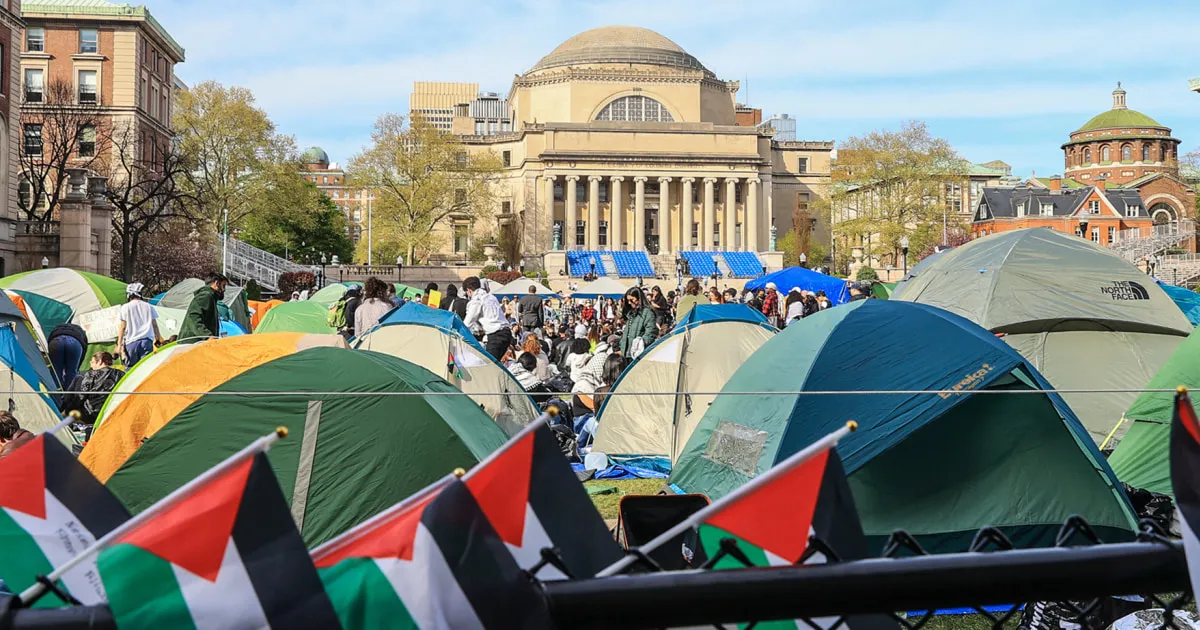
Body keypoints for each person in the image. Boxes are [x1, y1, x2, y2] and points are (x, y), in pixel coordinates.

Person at [62, 352, 125, 430]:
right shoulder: (122, 374)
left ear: (100, 362)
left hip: (91, 414)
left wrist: (67, 411)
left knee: (77, 381)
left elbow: (81, 396)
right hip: (112, 412)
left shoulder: (91, 374)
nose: (91, 365)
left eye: (92, 362)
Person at [462, 276, 511, 361]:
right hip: (507, 333)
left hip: (496, 335)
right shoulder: (491, 297)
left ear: (469, 290)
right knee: (496, 364)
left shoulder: (476, 300)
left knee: (489, 365)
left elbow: (467, 324)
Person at [116, 283, 163, 368]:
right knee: (145, 367)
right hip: (147, 340)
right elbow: (154, 325)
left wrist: (119, 344)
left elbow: (123, 327)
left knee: (131, 368)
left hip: (131, 341)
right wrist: (158, 338)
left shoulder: (125, 307)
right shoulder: (149, 306)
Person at [179, 273, 228, 344]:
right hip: (192, 344)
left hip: (197, 343)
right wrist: (207, 336)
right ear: (217, 283)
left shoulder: (211, 297)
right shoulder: (205, 296)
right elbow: (193, 317)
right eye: (223, 286)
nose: (224, 290)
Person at [619, 287, 658, 359]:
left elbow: (651, 332)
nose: (629, 302)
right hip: (626, 353)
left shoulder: (647, 313)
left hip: (638, 354)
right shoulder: (631, 314)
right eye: (628, 300)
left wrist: (640, 343)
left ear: (639, 299)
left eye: (632, 300)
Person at [47, 322, 88, 388]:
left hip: (56, 340)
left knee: (55, 370)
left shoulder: (58, 326)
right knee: (71, 372)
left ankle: (55, 392)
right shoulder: (81, 331)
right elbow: (84, 351)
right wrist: (77, 368)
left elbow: (49, 340)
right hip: (75, 342)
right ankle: (69, 395)